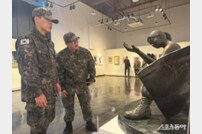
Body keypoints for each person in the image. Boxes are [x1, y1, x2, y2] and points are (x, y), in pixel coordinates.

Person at [15, 7, 61, 134]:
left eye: (52, 21)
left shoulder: (49, 43)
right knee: (37, 129)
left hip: (50, 93)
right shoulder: (27, 41)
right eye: (47, 20)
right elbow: (27, 71)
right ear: (36, 19)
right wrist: (37, 93)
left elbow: (52, 66)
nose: (50, 23)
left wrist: (56, 82)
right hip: (38, 96)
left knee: (46, 123)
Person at [123, 30, 181, 119]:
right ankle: (144, 108)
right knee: (150, 78)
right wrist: (138, 52)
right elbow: (156, 64)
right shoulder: (169, 46)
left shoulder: (171, 46)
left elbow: (157, 65)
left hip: (176, 82)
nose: (152, 45)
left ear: (160, 36)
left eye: (152, 41)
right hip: (174, 79)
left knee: (151, 79)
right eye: (150, 43)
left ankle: (144, 108)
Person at [56, 32, 97, 134]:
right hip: (68, 87)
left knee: (86, 105)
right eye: (72, 41)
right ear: (66, 43)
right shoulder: (61, 56)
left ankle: (89, 122)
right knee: (68, 108)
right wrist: (62, 88)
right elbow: (59, 73)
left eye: (77, 40)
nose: (76, 43)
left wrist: (91, 78)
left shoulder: (85, 53)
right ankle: (68, 125)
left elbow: (91, 66)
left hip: (82, 85)